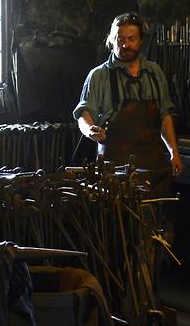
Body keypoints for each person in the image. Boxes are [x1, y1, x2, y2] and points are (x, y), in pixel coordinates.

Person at [73, 12, 182, 195]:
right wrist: (90, 129)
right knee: (118, 221)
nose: (125, 45)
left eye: (131, 39)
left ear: (140, 41)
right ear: (111, 40)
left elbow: (164, 116)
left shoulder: (155, 72)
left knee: (154, 218)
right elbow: (84, 112)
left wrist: (174, 152)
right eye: (119, 39)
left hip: (153, 167)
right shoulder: (99, 75)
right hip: (114, 169)